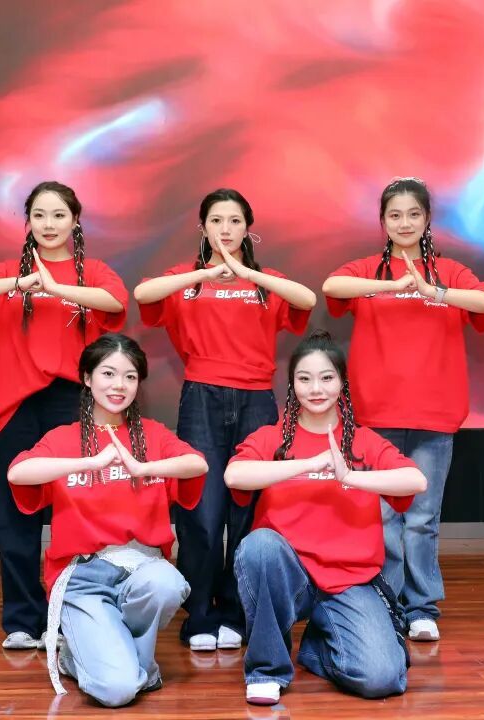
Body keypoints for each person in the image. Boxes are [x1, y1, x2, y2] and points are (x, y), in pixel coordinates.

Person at [133, 188, 316, 652]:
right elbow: (142, 294)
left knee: (249, 511)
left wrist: (247, 273)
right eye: (217, 221)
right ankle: (199, 614)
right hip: (202, 397)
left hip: (257, 400)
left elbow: (306, 299)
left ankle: (237, 610)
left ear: (248, 228)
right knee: (202, 511)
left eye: (235, 221)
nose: (226, 229)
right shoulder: (186, 280)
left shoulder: (265, 282)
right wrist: (205, 272)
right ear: (203, 227)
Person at [0, 181, 128, 649]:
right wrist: (20, 283)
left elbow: (116, 303)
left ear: (75, 221)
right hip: (16, 406)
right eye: (40, 215)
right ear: (28, 221)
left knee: (79, 509)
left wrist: (57, 287)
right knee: (16, 514)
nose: (49, 224)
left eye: (59, 215)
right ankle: (23, 620)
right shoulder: (9, 272)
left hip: (71, 400)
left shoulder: (92, 272)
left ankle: (76, 613)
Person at [322, 176, 484, 642]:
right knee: (381, 516)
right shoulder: (367, 270)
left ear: (427, 219)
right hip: (376, 415)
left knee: (421, 519)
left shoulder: (448, 271)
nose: (404, 222)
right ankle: (385, 601)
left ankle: (421, 608)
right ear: (382, 221)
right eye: (395, 215)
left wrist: (433, 292)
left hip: (435, 415)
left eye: (413, 214)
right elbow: (332, 286)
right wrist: (392, 285)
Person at [225, 330, 427, 705]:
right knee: (259, 546)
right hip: (291, 577)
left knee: (381, 679)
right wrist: (310, 463)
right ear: (292, 385)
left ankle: (318, 646)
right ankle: (267, 669)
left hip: (350, 580)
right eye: (304, 379)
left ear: (341, 383)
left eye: (326, 378)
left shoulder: (364, 441)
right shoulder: (271, 438)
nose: (316, 388)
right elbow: (235, 475)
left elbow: (416, 480)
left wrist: (349, 476)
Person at [7, 333, 207, 704]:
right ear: (87, 378)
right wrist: (89, 463)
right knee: (117, 691)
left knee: (168, 584)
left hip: (142, 569)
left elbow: (197, 464)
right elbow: (18, 473)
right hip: (84, 576)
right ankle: (79, 656)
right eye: (108, 374)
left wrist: (143, 467)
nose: (119, 385)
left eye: (130, 376)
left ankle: (117, 655)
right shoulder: (62, 438)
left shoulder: (152, 435)